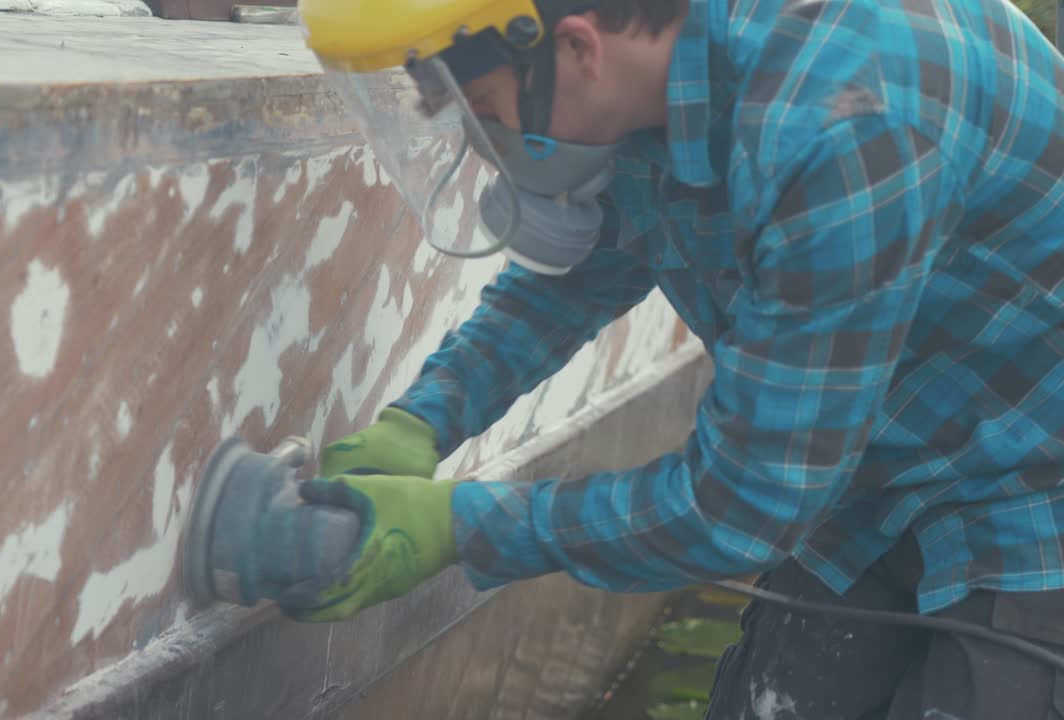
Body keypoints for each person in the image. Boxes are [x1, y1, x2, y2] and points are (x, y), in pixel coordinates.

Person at [283, 0, 1064, 716]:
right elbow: (580, 272)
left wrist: (454, 527)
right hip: (874, 476)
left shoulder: (843, 125)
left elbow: (745, 505)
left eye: (486, 114)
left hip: (1031, 500)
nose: (488, 155)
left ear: (579, 47)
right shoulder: (657, 81)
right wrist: (421, 418)